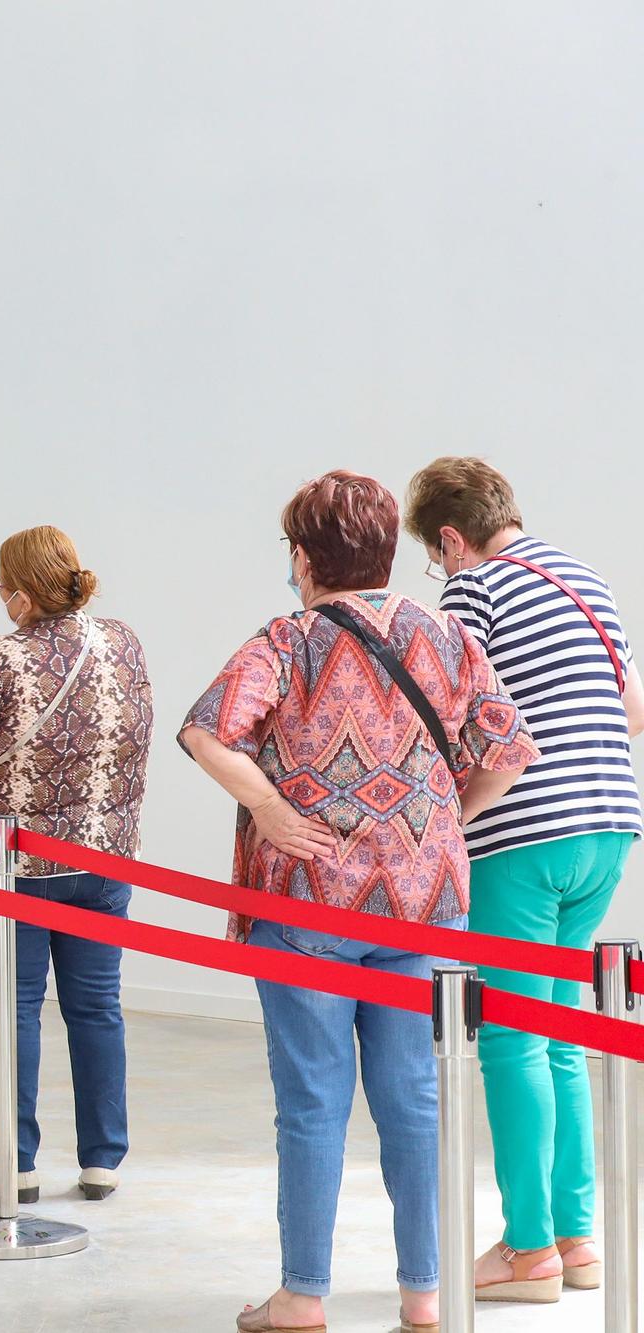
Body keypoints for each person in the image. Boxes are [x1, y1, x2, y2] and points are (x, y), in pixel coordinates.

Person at [180, 471, 538, 1333]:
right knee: (413, 1096)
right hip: (426, 904)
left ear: (304, 557)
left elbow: (205, 729)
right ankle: (425, 1291)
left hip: (309, 902)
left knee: (311, 1101)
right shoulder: (446, 634)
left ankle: (304, 1295)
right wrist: (450, 814)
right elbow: (509, 748)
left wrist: (270, 806)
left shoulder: (288, 638)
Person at [405, 457, 644, 1300]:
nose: (441, 573)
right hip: (611, 823)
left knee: (509, 1038)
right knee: (561, 1032)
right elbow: (635, 709)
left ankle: (529, 1250)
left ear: (449, 537)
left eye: (435, 559)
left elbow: (444, 715)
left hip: (523, 833)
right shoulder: (587, 578)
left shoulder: (476, 590)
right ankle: (578, 1242)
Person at [0, 525, 151, 1203]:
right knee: (98, 1007)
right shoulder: (122, 642)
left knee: (14, 1010)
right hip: (105, 858)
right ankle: (103, 1158)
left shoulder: (1, 657)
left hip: (15, 865)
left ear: (20, 594)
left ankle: (16, 1164)